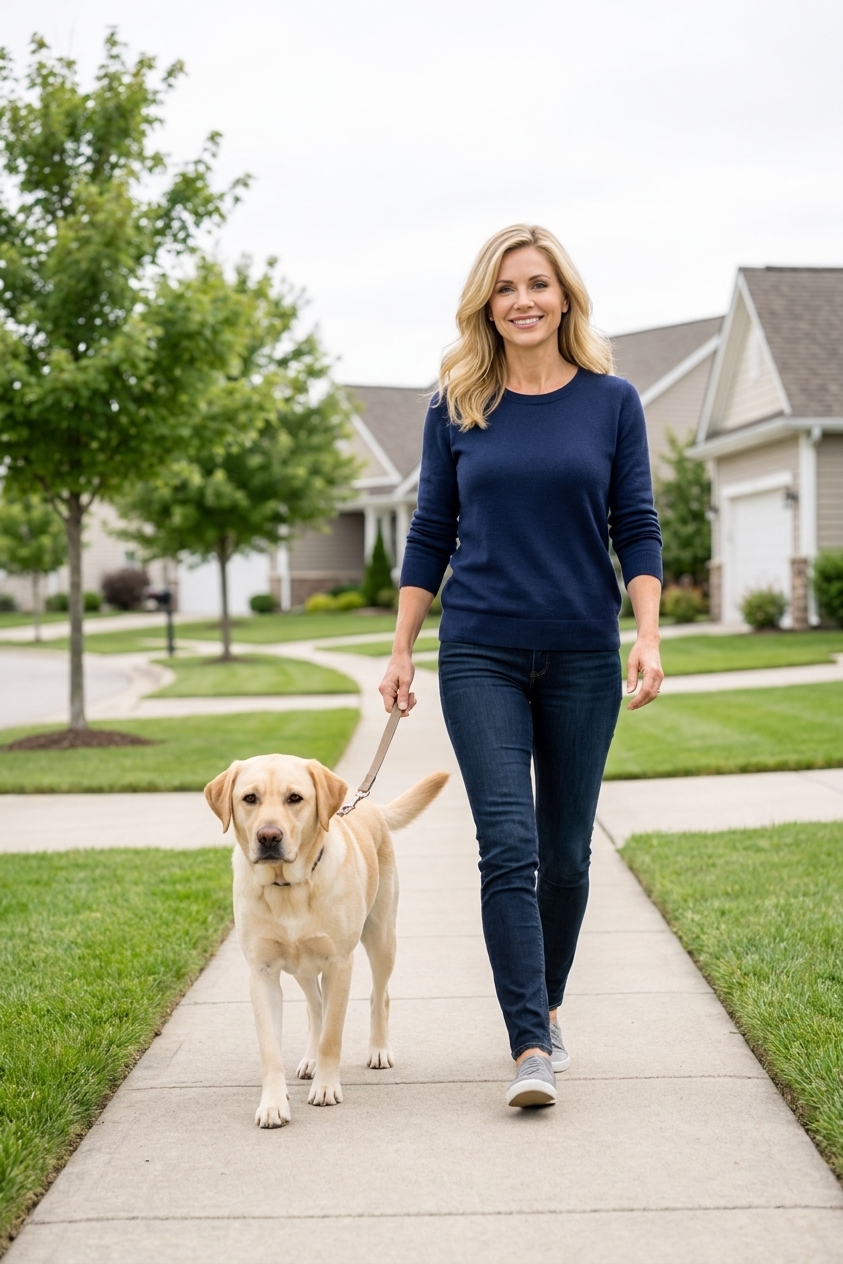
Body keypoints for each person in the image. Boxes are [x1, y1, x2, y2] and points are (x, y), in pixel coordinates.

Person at [379, 224, 664, 1109]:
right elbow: (431, 531)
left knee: (565, 857)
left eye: (538, 284)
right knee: (506, 845)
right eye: (505, 288)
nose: (523, 301)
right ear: (486, 305)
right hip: (481, 650)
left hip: (582, 649)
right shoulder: (456, 403)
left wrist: (646, 635)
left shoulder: (611, 402)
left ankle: (547, 1002)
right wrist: (400, 647)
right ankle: (528, 1045)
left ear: (564, 296)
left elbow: (637, 524)